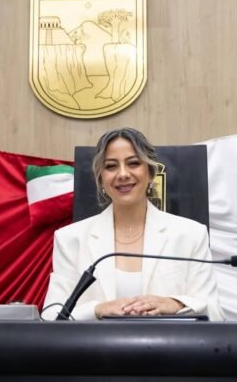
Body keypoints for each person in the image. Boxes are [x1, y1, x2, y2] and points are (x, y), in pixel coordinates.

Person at [42, 128, 224, 321]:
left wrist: (176, 304)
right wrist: (97, 309)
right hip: (96, 342)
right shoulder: (70, 238)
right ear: (101, 178)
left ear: (151, 173)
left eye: (133, 163)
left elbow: (216, 314)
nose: (123, 174)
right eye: (111, 166)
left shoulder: (191, 234)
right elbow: (51, 317)